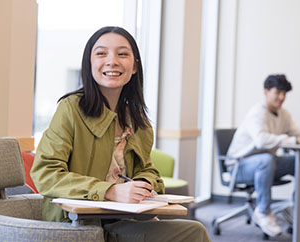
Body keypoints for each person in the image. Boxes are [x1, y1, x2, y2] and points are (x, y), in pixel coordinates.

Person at [31, 26, 210, 242]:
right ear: (89, 63)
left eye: (122, 54)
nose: (112, 61)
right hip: (80, 224)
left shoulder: (138, 121)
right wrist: (109, 191)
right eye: (101, 53)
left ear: (134, 66)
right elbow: (46, 174)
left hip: (127, 219)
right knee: (193, 233)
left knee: (192, 229)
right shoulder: (70, 109)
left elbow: (147, 169)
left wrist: (144, 183)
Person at [226, 74, 300, 237]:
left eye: (284, 94)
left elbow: (299, 133)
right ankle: (263, 212)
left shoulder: (284, 114)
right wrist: (294, 140)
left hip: (267, 164)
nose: (282, 97)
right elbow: (261, 141)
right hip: (239, 166)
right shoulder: (257, 113)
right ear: (266, 91)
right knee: (266, 159)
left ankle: (298, 213)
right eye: (278, 93)